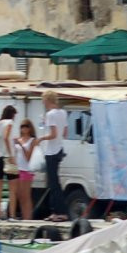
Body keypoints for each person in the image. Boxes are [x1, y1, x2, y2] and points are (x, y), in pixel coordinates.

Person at [39, 92, 69, 221]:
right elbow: (65, 133)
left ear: (47, 100)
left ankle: (60, 212)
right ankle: (55, 211)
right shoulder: (63, 113)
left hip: (51, 151)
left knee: (53, 183)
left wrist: (41, 138)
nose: (43, 103)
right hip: (59, 149)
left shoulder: (50, 114)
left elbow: (53, 134)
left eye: (43, 100)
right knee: (54, 182)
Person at [10, 119, 40, 221]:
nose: (24, 128)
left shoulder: (32, 140)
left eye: (26, 126)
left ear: (30, 128)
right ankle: (24, 216)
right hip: (17, 169)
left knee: (26, 195)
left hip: (27, 169)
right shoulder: (18, 140)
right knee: (20, 195)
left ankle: (28, 217)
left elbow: (28, 157)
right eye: (22, 126)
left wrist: (21, 145)